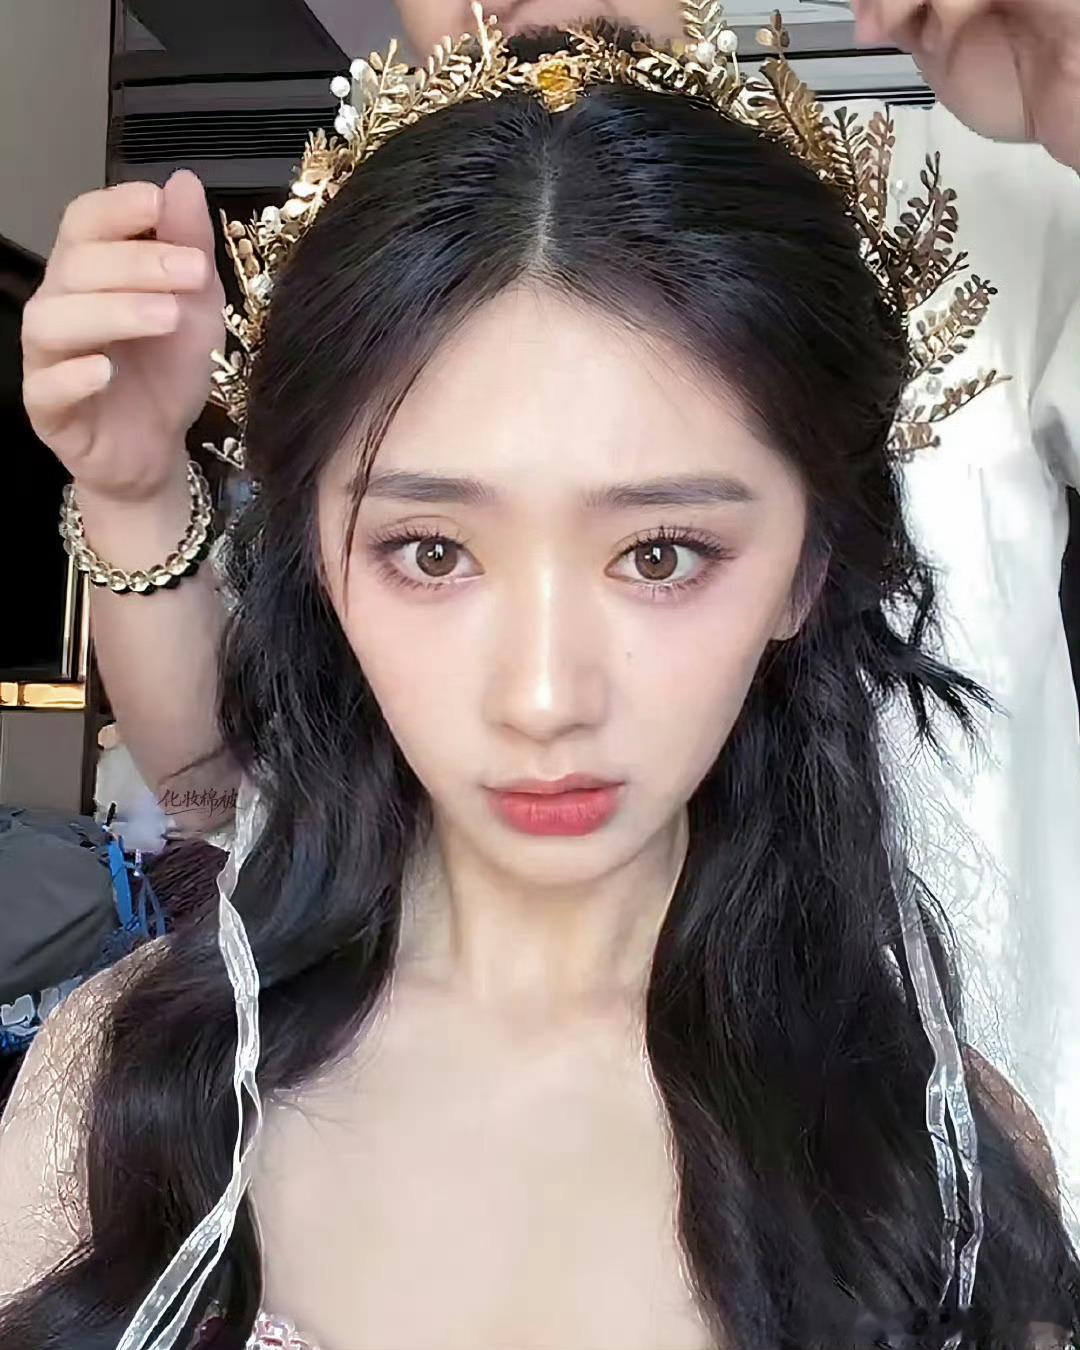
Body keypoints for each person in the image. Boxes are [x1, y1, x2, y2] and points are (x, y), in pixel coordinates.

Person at [1, 10, 1078, 1350]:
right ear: (322, 563)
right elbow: (210, 773)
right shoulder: (123, 1099)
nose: (545, 696)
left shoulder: (940, 1173)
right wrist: (130, 490)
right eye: (434, 551)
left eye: (662, 554)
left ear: (810, 566)